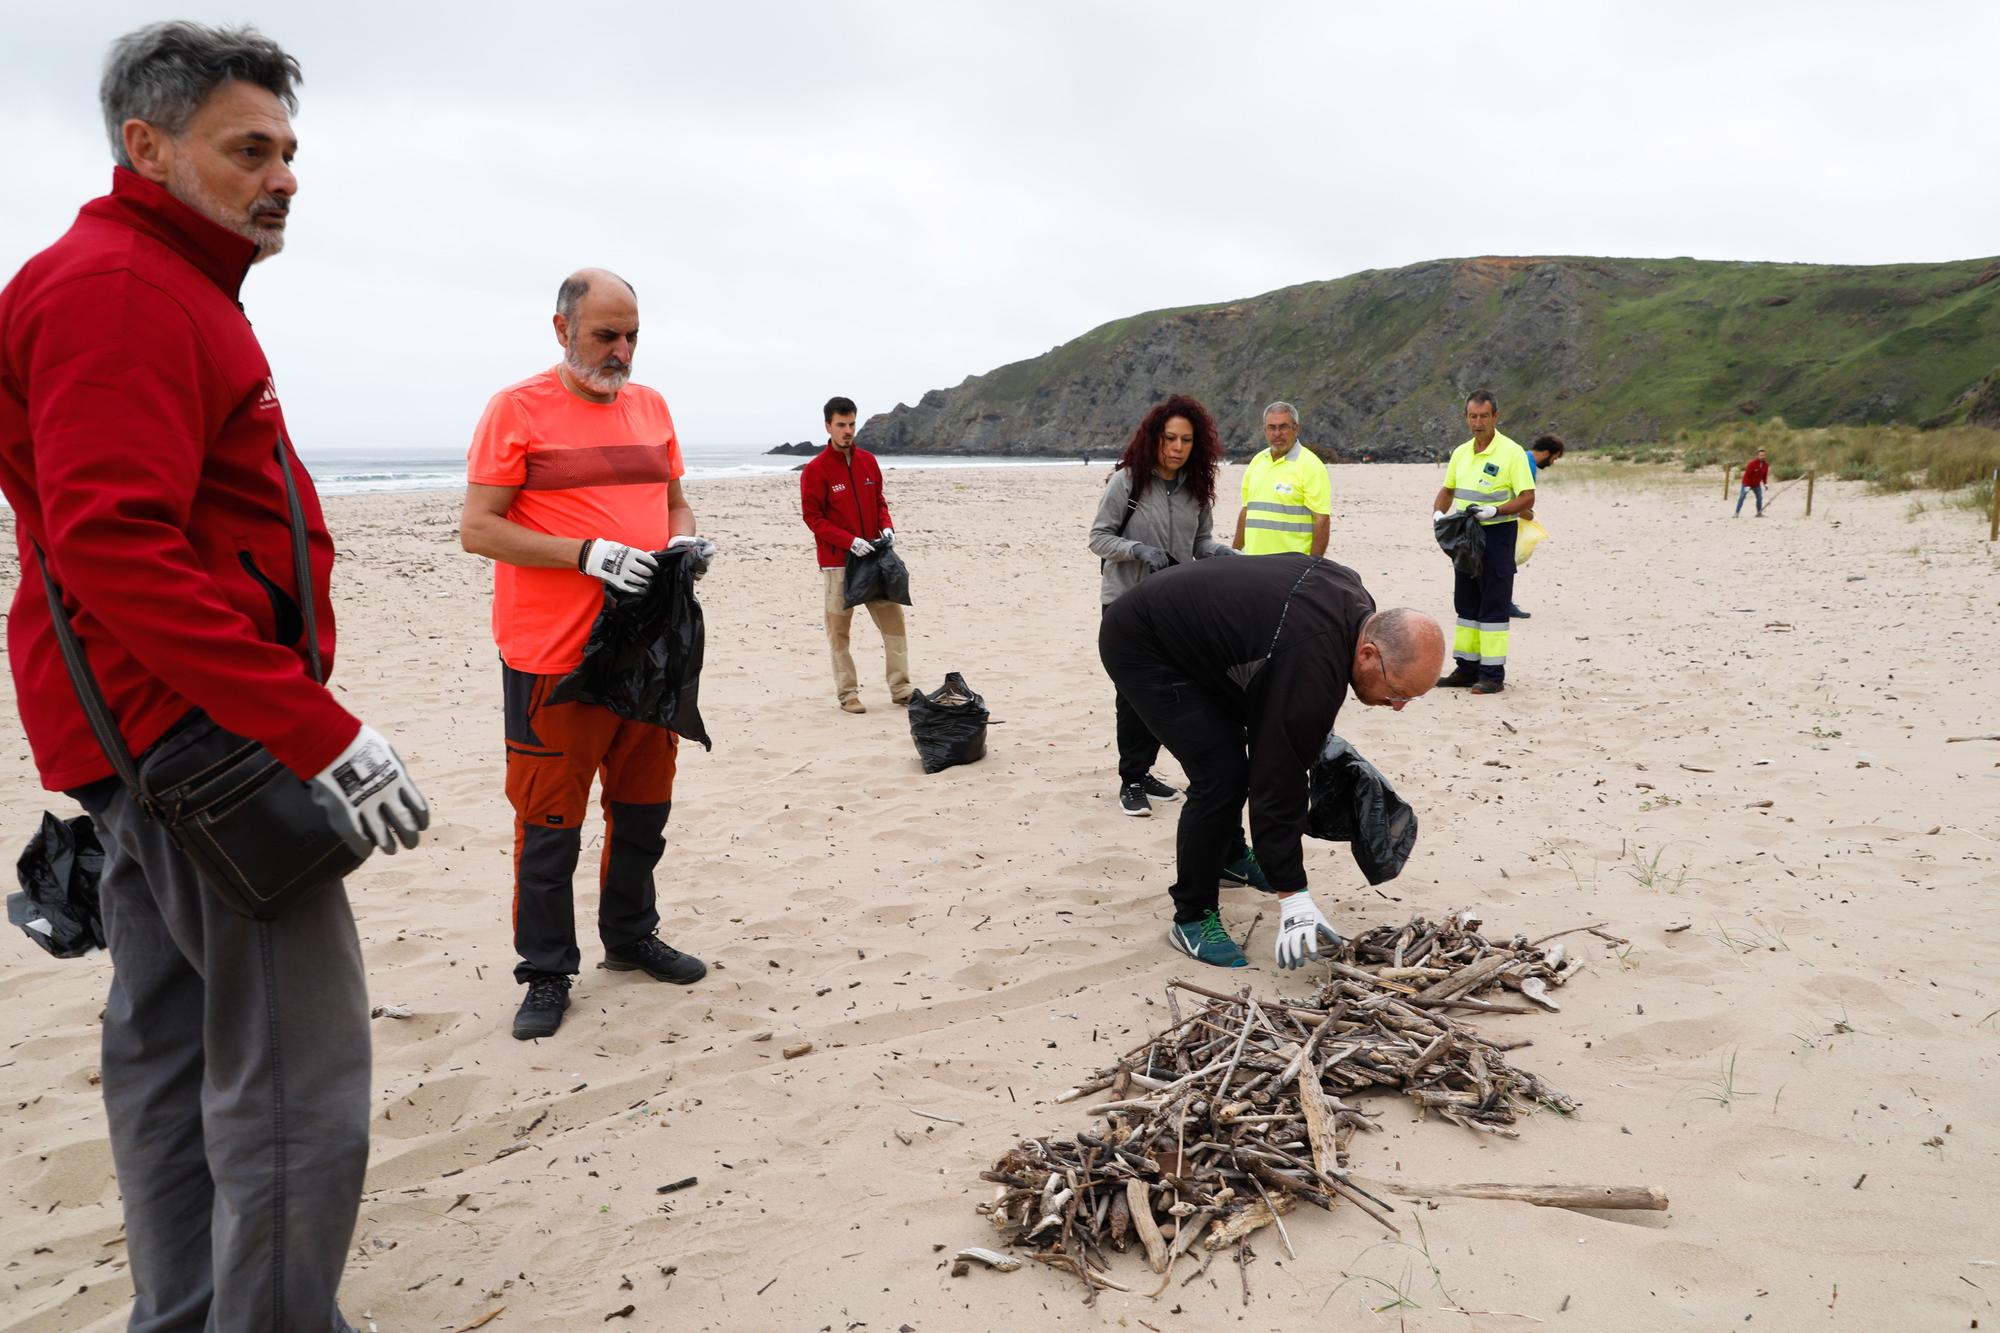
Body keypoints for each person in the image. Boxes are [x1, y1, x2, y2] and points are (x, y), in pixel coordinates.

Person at [0, 23, 431, 1327]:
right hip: (198, 745)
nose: (283, 175)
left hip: (148, 742)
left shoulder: (156, 278)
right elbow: (112, 543)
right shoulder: (120, 287)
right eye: (251, 150)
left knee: (171, 1045)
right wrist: (320, 732)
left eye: (289, 151)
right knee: (296, 1082)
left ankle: (184, 1312)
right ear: (149, 145)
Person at [461, 267, 713, 1042]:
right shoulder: (515, 409)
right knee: (550, 823)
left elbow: (672, 495)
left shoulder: (652, 406)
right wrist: (586, 554)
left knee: (643, 809)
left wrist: (680, 540)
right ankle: (545, 970)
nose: (622, 350)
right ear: (561, 328)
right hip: (552, 658)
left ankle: (631, 937)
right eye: (606, 334)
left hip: (647, 649)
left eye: (632, 334)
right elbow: (479, 527)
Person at [1100, 555, 1444, 967]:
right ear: (1369, 653)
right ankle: (1192, 917)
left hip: (1201, 642)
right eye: (1398, 692)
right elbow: (1278, 782)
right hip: (1144, 643)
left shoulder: (1354, 600)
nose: (1398, 706)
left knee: (1235, 754)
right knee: (1221, 775)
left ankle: (1228, 858)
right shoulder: (1310, 667)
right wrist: (1293, 895)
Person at [1088, 394, 1235, 816]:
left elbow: (1200, 542)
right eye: (1170, 438)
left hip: (1174, 606)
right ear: (1155, 438)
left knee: (1165, 693)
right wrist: (1139, 549)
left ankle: (1145, 771)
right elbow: (1098, 537)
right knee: (1131, 694)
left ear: (1196, 444)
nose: (1177, 447)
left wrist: (1219, 552)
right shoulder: (1127, 481)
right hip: (1125, 604)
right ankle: (1130, 780)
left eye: (1186, 440)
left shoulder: (1196, 488)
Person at [800, 396, 911, 713]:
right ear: (828, 426)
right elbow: (813, 518)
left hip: (876, 558)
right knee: (839, 632)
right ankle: (848, 694)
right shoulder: (815, 470)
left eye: (851, 424)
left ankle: (902, 688)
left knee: (894, 624)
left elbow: (879, 502)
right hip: (838, 563)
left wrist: (887, 528)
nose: (848, 431)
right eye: (841, 425)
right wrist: (849, 541)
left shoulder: (868, 461)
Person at [1432, 390, 1535, 694]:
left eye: (1484, 416)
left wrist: (1498, 510)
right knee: (1466, 602)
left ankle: (1492, 675)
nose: (1478, 423)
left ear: (1495, 417)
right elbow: (1447, 489)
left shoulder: (1511, 452)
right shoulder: (1461, 452)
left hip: (1498, 533)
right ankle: (1466, 668)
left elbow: (1528, 497)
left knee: (1493, 603)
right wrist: (1438, 512)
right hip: (1466, 535)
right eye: (1473, 416)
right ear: (1466, 417)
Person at [1234, 401, 1332, 555]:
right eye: (1272, 427)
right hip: (1253, 563)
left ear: (1296, 428)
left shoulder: (1311, 465)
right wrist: (1234, 554)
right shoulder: (1257, 461)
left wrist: (1312, 565)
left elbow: (1322, 520)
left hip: (1291, 567)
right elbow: (1246, 511)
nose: (1277, 433)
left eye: (1283, 427)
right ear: (1264, 430)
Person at [1510, 433, 1565, 618]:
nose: (1553, 463)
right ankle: (1504, 603)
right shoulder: (1528, 465)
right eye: (1554, 458)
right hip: (1505, 516)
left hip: (1499, 513)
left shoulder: (1522, 456)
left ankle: (1497, 601)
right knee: (1507, 561)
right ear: (1549, 453)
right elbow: (1520, 499)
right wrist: (1530, 517)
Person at [1737, 447, 1770, 516]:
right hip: (1747, 483)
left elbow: (1764, 475)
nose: (1762, 457)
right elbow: (1747, 476)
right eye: (1761, 455)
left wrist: (1765, 483)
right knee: (1742, 496)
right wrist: (1747, 485)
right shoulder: (1752, 464)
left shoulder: (1766, 465)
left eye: (1763, 455)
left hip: (1756, 485)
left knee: (1760, 497)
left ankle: (1759, 513)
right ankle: (1736, 512)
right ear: (1758, 456)